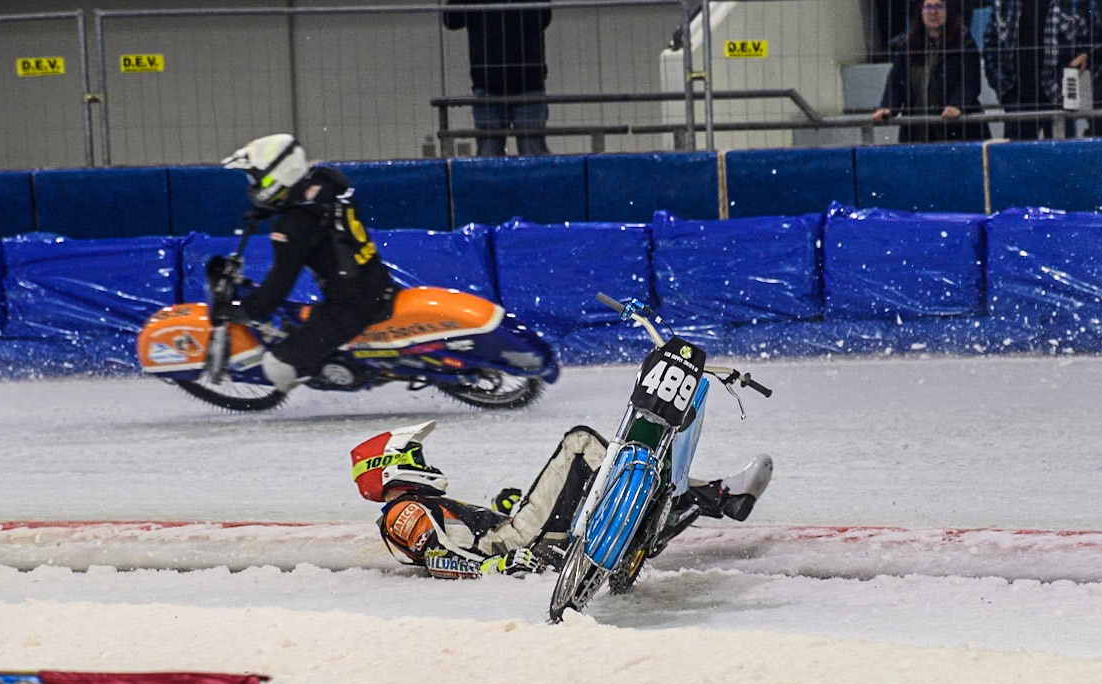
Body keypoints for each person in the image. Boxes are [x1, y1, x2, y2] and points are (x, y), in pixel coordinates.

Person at [351, 421, 773, 580]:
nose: (424, 463)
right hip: (511, 546)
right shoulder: (400, 512)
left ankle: (670, 505)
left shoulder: (414, 505)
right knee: (579, 443)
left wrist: (507, 508)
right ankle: (716, 497)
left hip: (511, 537)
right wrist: (498, 565)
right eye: (416, 457)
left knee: (517, 494)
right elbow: (440, 558)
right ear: (392, 465)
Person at [218, 134, 398, 393]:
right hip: (376, 281)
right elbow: (308, 201)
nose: (253, 185)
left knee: (276, 365)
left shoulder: (292, 228)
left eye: (258, 178)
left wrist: (240, 311)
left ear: (279, 174)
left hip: (351, 307)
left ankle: (338, 372)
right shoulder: (329, 180)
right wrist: (274, 208)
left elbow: (276, 290)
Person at [982, 0, 1102, 139]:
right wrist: (1003, 88)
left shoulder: (1078, 2)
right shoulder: (1004, 3)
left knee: (1060, 157)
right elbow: (990, 45)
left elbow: (1099, 40)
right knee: (1018, 157)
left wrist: (1087, 55)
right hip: (1017, 98)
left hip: (1060, 97)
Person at [443, 0, 553, 156]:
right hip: (498, 84)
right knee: (495, 154)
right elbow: (451, 20)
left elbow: (543, 17)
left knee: (530, 153)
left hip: (520, 83)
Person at [872, 0, 990, 143]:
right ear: (920, 10)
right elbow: (896, 83)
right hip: (917, 134)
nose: (933, 12)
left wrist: (958, 105)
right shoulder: (908, 46)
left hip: (959, 131)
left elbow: (970, 82)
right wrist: (888, 107)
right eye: (928, 6)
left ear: (948, 10)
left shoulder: (965, 43)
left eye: (939, 6)